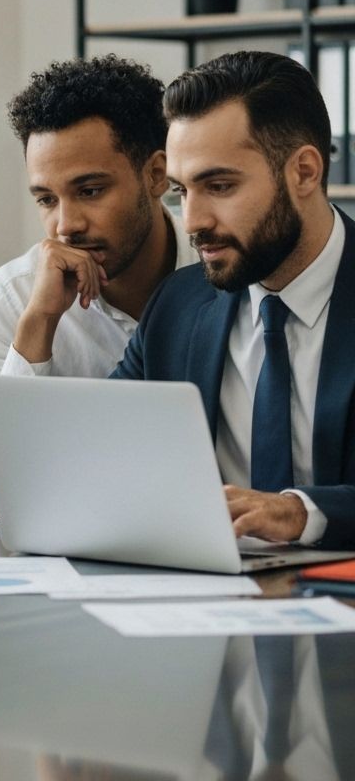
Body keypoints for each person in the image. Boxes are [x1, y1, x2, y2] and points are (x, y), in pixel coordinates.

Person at [113, 49, 355, 548]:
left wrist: (299, 512)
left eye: (219, 185)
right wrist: (38, 325)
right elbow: (99, 453)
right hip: (207, 603)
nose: (193, 220)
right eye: (181, 191)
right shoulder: (176, 307)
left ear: (304, 172)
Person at [0, 55, 197, 516]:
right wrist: (38, 326)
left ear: (156, 174)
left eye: (90, 191)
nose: (66, 225)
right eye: (46, 199)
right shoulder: (13, 297)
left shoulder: (222, 267)